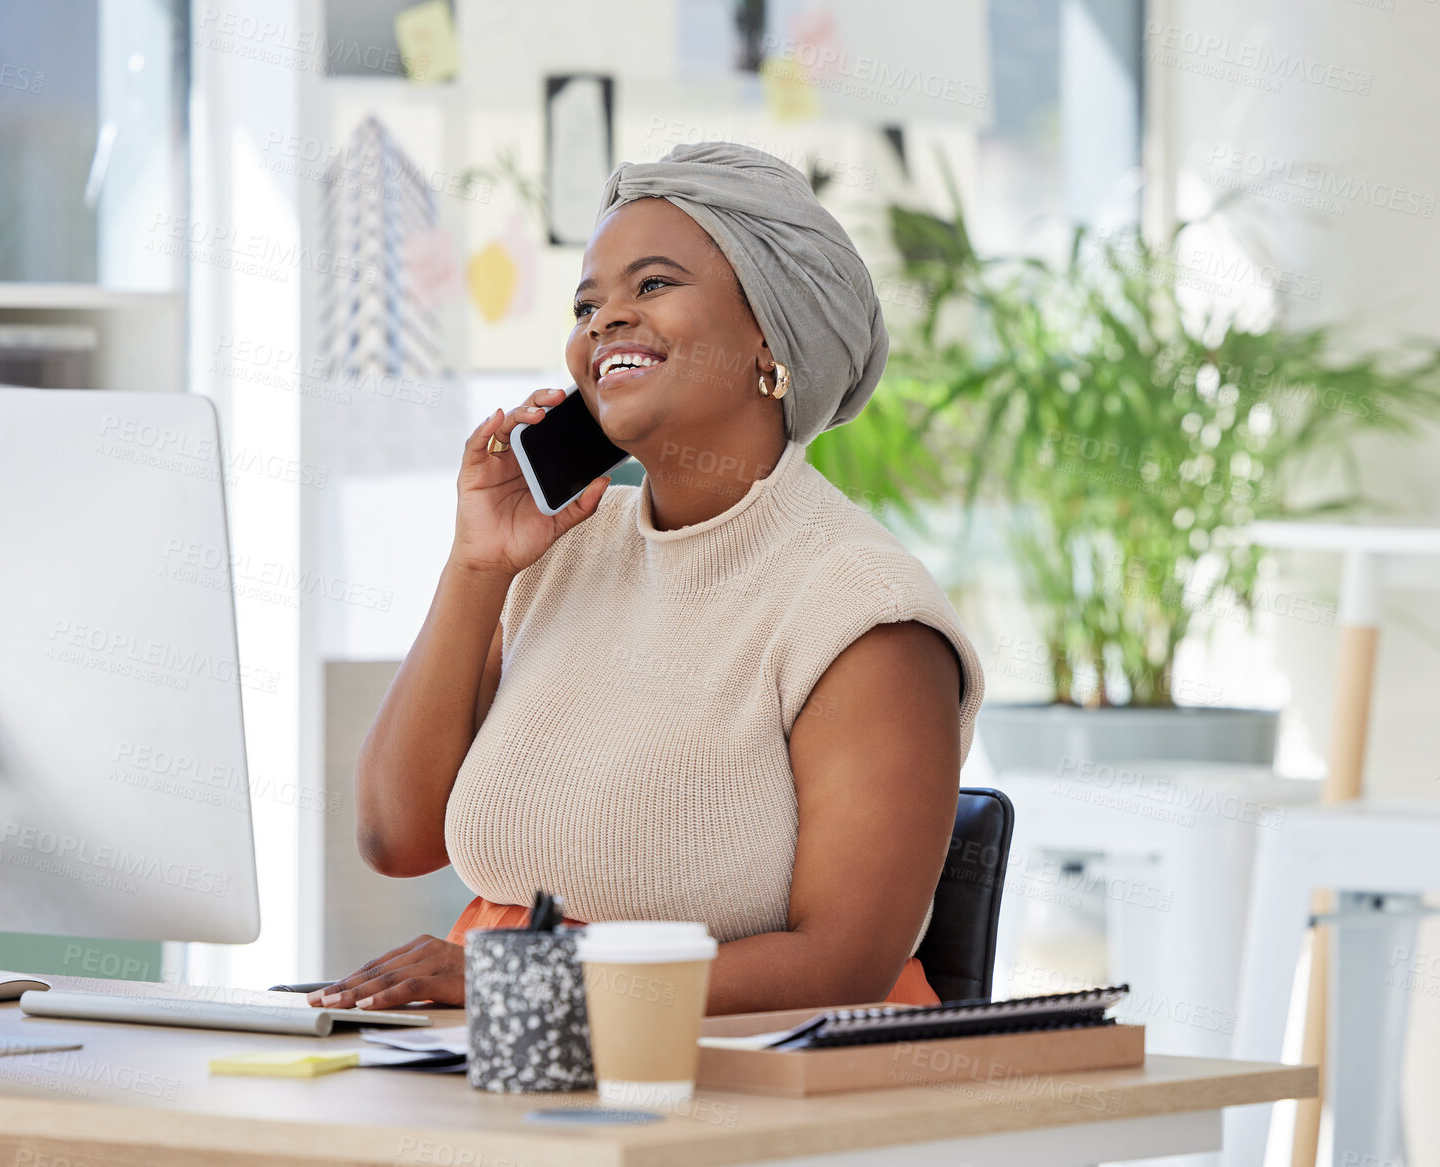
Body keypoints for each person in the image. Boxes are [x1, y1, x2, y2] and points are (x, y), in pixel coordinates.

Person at [310, 142, 986, 1016]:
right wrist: (475, 563)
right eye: (587, 303)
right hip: (498, 1040)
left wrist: (521, 978)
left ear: (772, 337)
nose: (604, 321)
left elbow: (839, 965)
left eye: (653, 285)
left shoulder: (864, 612)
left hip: (738, 1078)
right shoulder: (559, 554)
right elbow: (393, 835)